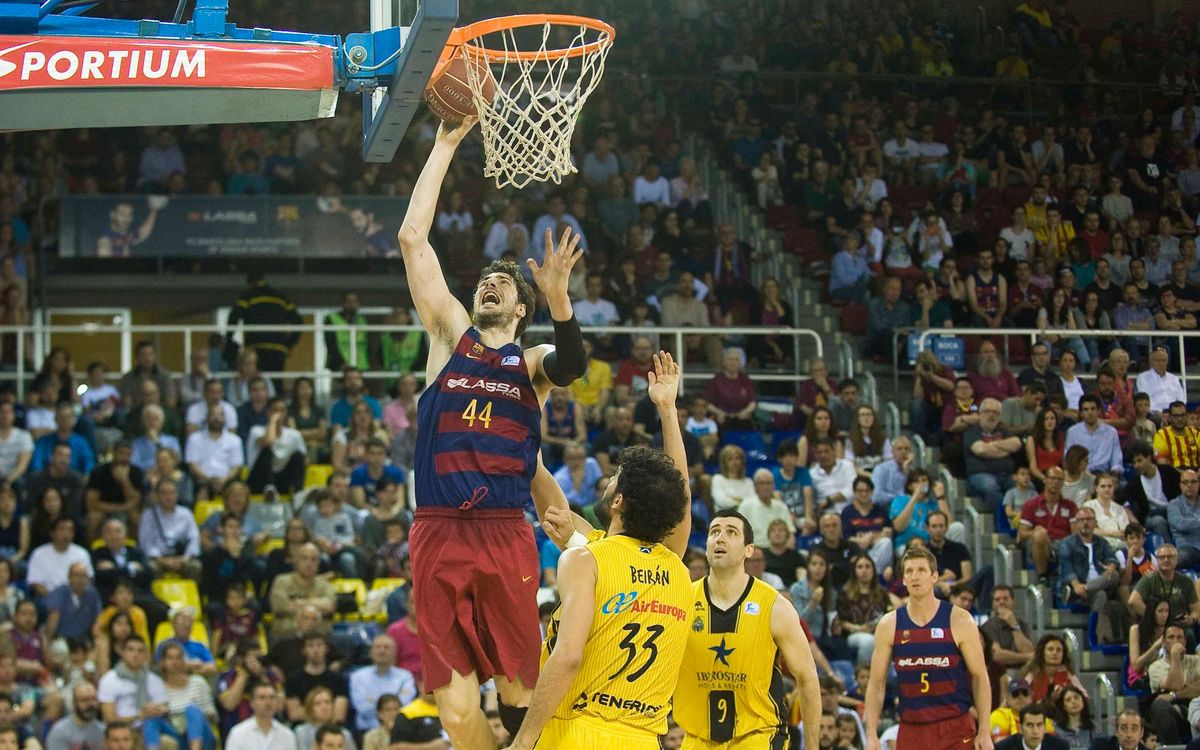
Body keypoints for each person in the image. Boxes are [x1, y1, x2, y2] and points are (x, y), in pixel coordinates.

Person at [403, 117, 591, 747]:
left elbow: (573, 366)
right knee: (456, 713)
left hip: (504, 533)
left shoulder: (530, 362)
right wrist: (445, 145)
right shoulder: (446, 338)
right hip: (436, 526)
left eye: (504, 283)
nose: (490, 282)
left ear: (520, 308)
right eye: (486, 278)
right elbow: (411, 239)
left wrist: (561, 303)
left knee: (519, 698)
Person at [673, 509, 823, 749]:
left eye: (731, 532)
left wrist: (813, 746)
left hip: (758, 737)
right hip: (697, 739)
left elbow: (807, 678)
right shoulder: (681, 600)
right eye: (714, 532)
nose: (720, 538)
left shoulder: (775, 606)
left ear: (749, 550)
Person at [864, 546, 992, 750]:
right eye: (909, 571)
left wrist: (985, 730)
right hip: (912, 727)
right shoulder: (889, 625)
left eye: (921, 570)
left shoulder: (959, 620)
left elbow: (979, 677)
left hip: (954, 726)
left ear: (934, 577)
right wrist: (871, 735)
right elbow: (876, 684)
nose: (915, 576)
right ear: (903, 579)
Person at [1059, 507, 1122, 642]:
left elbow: (1112, 558)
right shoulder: (1067, 543)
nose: (1085, 523)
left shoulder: (1102, 542)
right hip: (1080, 586)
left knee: (1115, 575)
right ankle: (1098, 639)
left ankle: (1088, 587)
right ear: (1076, 524)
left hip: (1096, 584)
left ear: (1095, 522)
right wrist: (1076, 585)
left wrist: (1111, 565)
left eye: (1088, 520)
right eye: (1081, 520)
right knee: (1101, 595)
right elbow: (1066, 568)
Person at [226, 272, 302, 379]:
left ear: (250, 283)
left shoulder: (248, 295)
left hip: (256, 346)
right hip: (278, 348)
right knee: (276, 384)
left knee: (255, 383)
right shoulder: (280, 296)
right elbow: (298, 321)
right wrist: (289, 345)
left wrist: (229, 338)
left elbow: (234, 317)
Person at [1018, 466, 1078, 583]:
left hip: (1062, 543)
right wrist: (1037, 532)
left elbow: (1075, 533)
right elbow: (1022, 534)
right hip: (1039, 543)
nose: (1056, 482)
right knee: (1040, 535)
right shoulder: (1031, 505)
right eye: (1052, 478)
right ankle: (1042, 576)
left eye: (1059, 479)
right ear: (1045, 480)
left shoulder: (1070, 506)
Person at [348, 635, 416, 733]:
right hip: (366, 731)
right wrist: (393, 706)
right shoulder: (357, 677)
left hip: (399, 731)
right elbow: (363, 709)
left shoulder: (405, 676)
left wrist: (374, 701)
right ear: (370, 652)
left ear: (395, 652)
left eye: (386, 647)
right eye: (378, 647)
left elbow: (405, 707)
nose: (382, 651)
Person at [1146, 623, 1198, 743]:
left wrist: (1174, 695)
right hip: (1173, 716)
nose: (1176, 641)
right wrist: (1175, 657)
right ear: (1163, 642)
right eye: (1171, 637)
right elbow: (1176, 684)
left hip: (1195, 709)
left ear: (1185, 642)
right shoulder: (1155, 667)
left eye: (1180, 637)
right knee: (1159, 705)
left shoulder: (1196, 661)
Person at [246, 396, 307, 495]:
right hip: (258, 479)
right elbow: (269, 441)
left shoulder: (295, 435)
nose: (279, 414)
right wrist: (273, 421)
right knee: (267, 450)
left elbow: (303, 459)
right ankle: (269, 489)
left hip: (281, 478)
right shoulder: (256, 430)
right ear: (268, 412)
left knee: (297, 455)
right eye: (275, 410)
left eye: (282, 410)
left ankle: (298, 493)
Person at [224, 682, 297, 750]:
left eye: (271, 698)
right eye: (262, 698)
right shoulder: (238, 733)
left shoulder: (288, 735)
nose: (268, 702)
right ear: (252, 703)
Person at [1065, 395, 1125, 474]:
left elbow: (1117, 460)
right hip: (1082, 474)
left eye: (1093, 409)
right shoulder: (1072, 432)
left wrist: (1114, 473)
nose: (1090, 413)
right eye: (1086, 410)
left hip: (1105, 474)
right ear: (1081, 413)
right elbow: (1069, 459)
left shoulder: (1111, 432)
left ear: (1099, 411)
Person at [45, 682, 105, 750]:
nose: (91, 704)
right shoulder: (59, 731)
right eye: (85, 700)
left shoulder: (102, 730)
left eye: (94, 699)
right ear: (74, 703)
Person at [993, 704, 1068, 750]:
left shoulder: (1060, 747)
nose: (1035, 731)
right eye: (1029, 725)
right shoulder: (1003, 748)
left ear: (1045, 728)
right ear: (1020, 729)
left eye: (1039, 725)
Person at [1155, 401, 1200, 470]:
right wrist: (1181, 473)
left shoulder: (1195, 433)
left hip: (1195, 473)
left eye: (1182, 415)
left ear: (1186, 416)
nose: (1180, 419)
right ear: (1170, 417)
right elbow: (1161, 461)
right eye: (1176, 416)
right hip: (1173, 474)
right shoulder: (1162, 435)